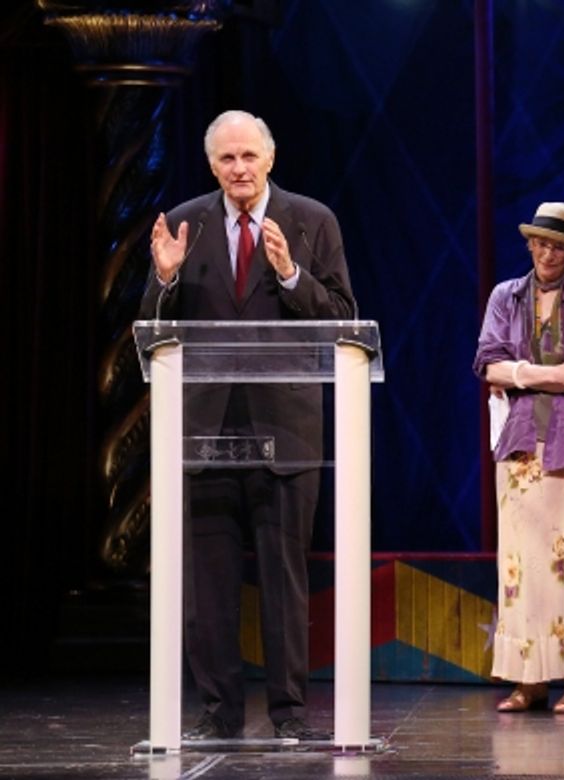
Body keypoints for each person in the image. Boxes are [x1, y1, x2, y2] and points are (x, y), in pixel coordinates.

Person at [139, 110, 355, 740]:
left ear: (270, 158)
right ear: (213, 165)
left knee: (285, 581)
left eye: (248, 157)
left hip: (286, 433)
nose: (239, 169)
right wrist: (166, 276)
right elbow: (151, 329)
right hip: (203, 434)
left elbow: (344, 318)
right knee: (208, 590)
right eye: (227, 159)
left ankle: (288, 714)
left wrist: (291, 276)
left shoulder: (313, 221)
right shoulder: (185, 222)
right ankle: (218, 713)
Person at [473, 202, 564, 713]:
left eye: (560, 246)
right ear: (530, 244)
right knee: (521, 565)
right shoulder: (504, 297)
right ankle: (528, 679)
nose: (549, 253)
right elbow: (488, 363)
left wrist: (520, 371)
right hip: (519, 442)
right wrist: (546, 375)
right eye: (542, 243)